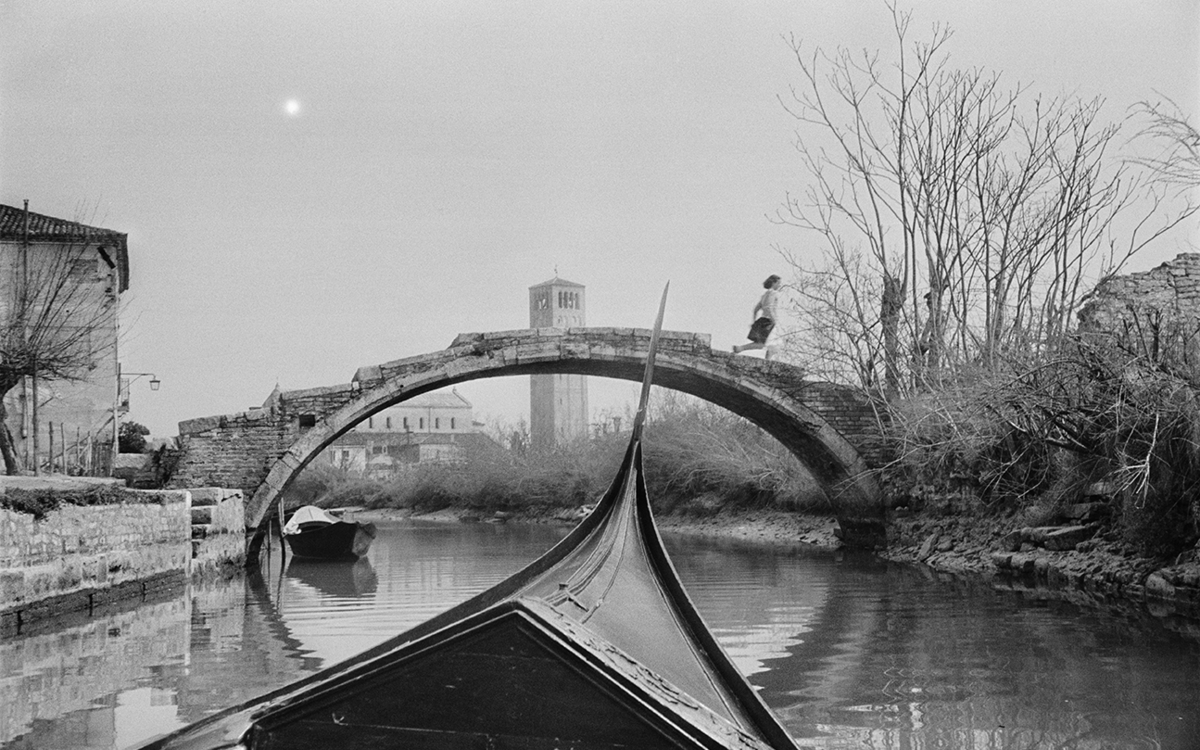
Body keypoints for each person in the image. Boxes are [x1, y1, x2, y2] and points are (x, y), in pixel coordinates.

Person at [733, 274, 781, 360]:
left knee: (761, 344)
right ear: (774, 283)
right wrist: (774, 320)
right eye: (778, 283)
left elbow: (756, 309)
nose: (779, 285)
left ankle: (740, 348)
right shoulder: (773, 293)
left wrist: (754, 321)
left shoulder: (764, 295)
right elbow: (768, 307)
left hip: (762, 320)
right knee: (775, 344)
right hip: (769, 321)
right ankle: (767, 360)